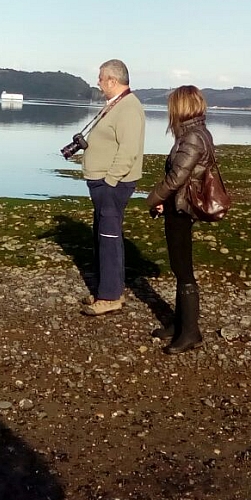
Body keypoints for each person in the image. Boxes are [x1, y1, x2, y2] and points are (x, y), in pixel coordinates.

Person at [146, 85, 214, 354]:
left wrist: (153, 198)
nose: (169, 110)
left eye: (172, 105)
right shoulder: (195, 133)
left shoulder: (193, 137)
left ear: (182, 107)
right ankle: (180, 324)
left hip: (182, 209)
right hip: (178, 205)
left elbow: (177, 178)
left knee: (183, 269)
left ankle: (190, 333)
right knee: (179, 267)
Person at [80, 59, 145, 316]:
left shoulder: (128, 107)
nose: (98, 82)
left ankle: (109, 297)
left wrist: (110, 181)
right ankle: (107, 290)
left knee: (108, 238)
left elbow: (128, 150)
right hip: (104, 181)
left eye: (100, 78)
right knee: (104, 236)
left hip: (113, 184)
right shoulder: (117, 104)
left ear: (112, 81)